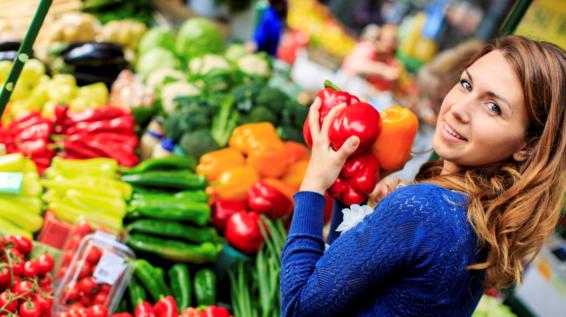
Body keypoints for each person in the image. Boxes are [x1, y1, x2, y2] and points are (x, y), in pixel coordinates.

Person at [280, 35, 566, 316]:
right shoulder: (483, 219)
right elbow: (336, 285)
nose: (458, 110)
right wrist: (353, 191)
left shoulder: (424, 208)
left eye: (493, 107)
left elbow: (298, 308)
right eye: (466, 84)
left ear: (528, 146)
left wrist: (313, 184)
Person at [341, 24, 403, 93]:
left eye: (393, 41)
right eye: (387, 40)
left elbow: (387, 85)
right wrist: (382, 69)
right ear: (380, 37)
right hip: (346, 85)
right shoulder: (367, 47)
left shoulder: (389, 60)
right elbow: (354, 64)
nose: (389, 44)